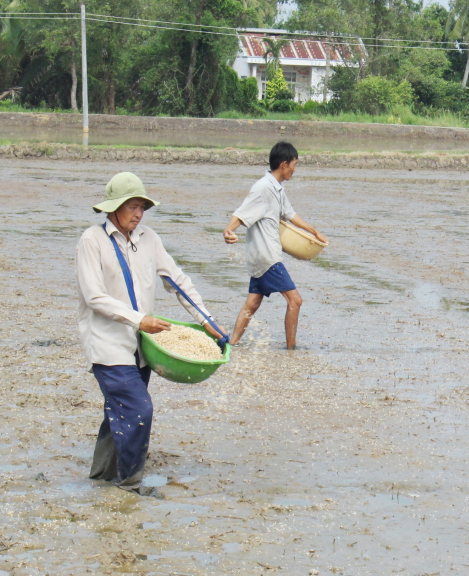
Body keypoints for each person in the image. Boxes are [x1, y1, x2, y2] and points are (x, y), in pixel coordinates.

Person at [76, 172, 219, 495]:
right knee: (139, 411)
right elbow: (94, 297)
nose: (138, 214)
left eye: (142, 207)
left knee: (120, 410)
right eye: (132, 206)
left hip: (141, 346)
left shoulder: (149, 239)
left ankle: (101, 476)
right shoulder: (91, 241)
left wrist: (208, 321)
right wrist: (140, 320)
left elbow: (177, 281)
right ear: (113, 208)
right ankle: (129, 482)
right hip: (107, 344)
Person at [223, 142, 327, 350]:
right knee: (295, 300)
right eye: (294, 165)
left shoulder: (277, 189)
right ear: (284, 164)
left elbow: (289, 214)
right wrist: (229, 229)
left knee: (253, 302)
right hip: (268, 256)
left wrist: (313, 231)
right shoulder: (263, 188)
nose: (294, 170)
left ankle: (231, 344)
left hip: (261, 256)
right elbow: (242, 212)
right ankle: (291, 349)